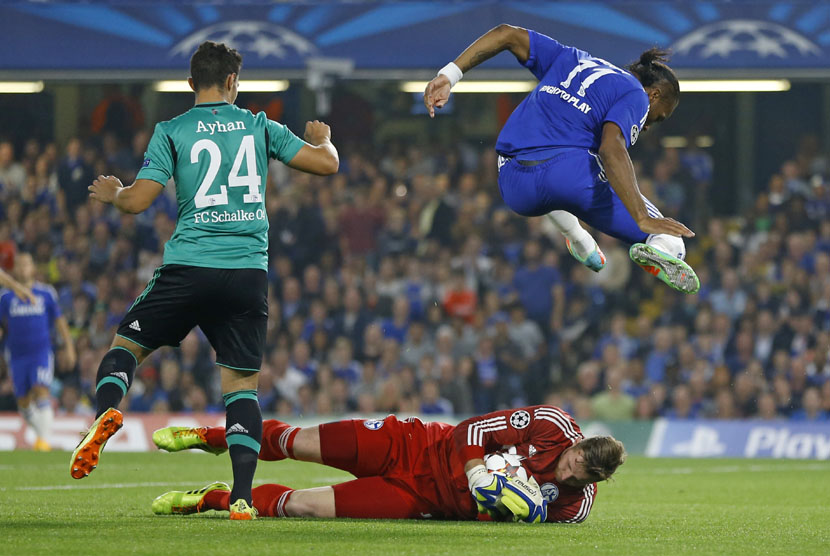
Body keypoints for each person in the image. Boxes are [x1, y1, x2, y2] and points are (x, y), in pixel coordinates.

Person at [72, 41, 338, 521]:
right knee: (241, 388)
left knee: (123, 349)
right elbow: (327, 164)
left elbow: (136, 203)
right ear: (233, 82)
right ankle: (240, 498)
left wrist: (114, 194)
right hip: (246, 273)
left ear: (191, 83)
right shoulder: (259, 125)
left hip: (189, 266)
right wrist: (323, 138)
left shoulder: (171, 131)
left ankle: (107, 411)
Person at [423, 25, 699, 294]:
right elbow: (611, 148)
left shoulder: (570, 58)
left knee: (559, 180)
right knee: (669, 236)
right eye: (659, 117)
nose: (650, 125)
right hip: (569, 177)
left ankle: (579, 239)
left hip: (512, 182)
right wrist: (641, 216)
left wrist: (449, 75)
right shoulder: (636, 95)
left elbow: (505, 33)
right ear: (655, 94)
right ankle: (661, 249)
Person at [150, 405, 624, 523]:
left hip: (421, 497)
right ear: (580, 443)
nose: (566, 469)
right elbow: (469, 432)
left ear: (592, 479)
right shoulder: (552, 425)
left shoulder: (574, 505)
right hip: (413, 444)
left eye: (577, 473)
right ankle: (210, 436)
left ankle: (211, 498)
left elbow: (529, 521)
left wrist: (512, 507)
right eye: (574, 458)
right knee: (297, 440)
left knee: (301, 508)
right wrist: (480, 473)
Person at [0, 253, 75, 450]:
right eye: (19, 264)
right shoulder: (6, 297)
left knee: (41, 390)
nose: (23, 268)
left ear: (33, 268)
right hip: (16, 356)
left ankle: (44, 442)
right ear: (15, 269)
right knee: (23, 402)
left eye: (27, 264)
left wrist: (69, 347)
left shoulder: (46, 293)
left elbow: (59, 320)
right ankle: (42, 435)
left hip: (40, 352)